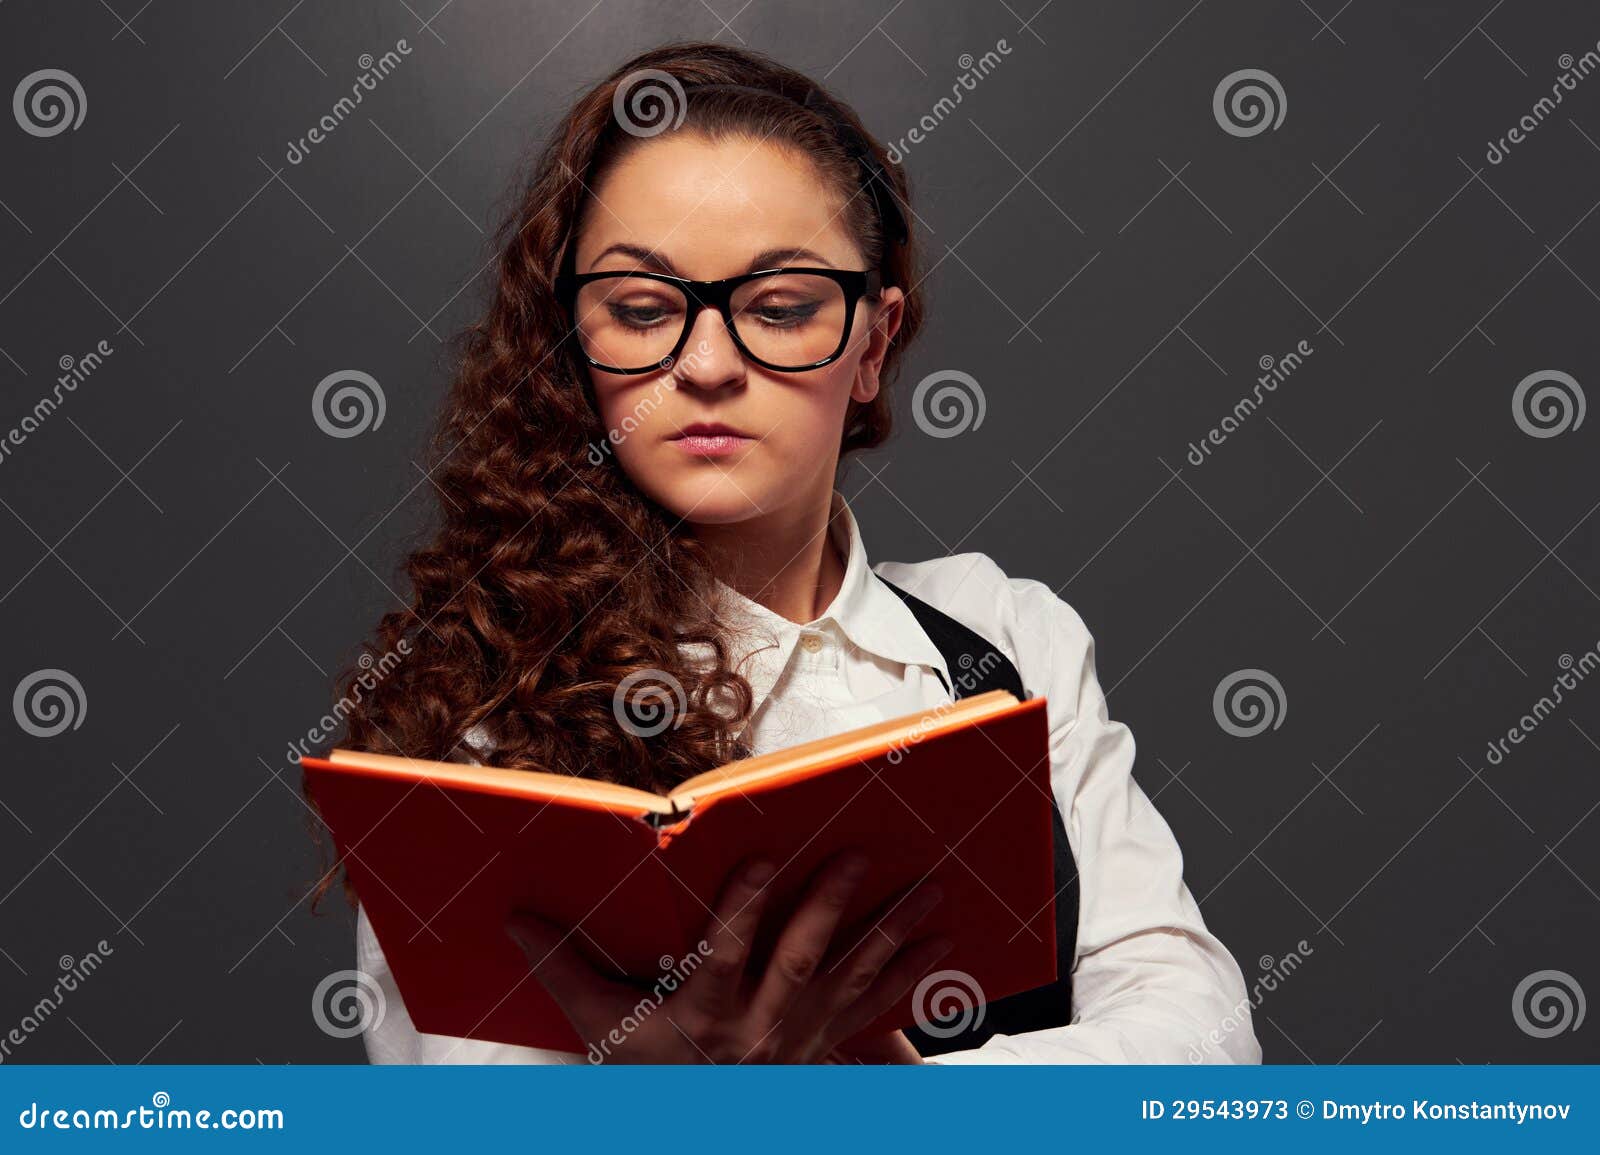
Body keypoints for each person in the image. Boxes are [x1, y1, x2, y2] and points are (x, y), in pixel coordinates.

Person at [316, 40, 1260, 1066]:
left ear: (874, 344)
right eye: (642, 312)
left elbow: (1196, 1031)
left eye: (779, 308)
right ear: (570, 343)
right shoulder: (485, 717)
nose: (709, 365)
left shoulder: (1004, 636)